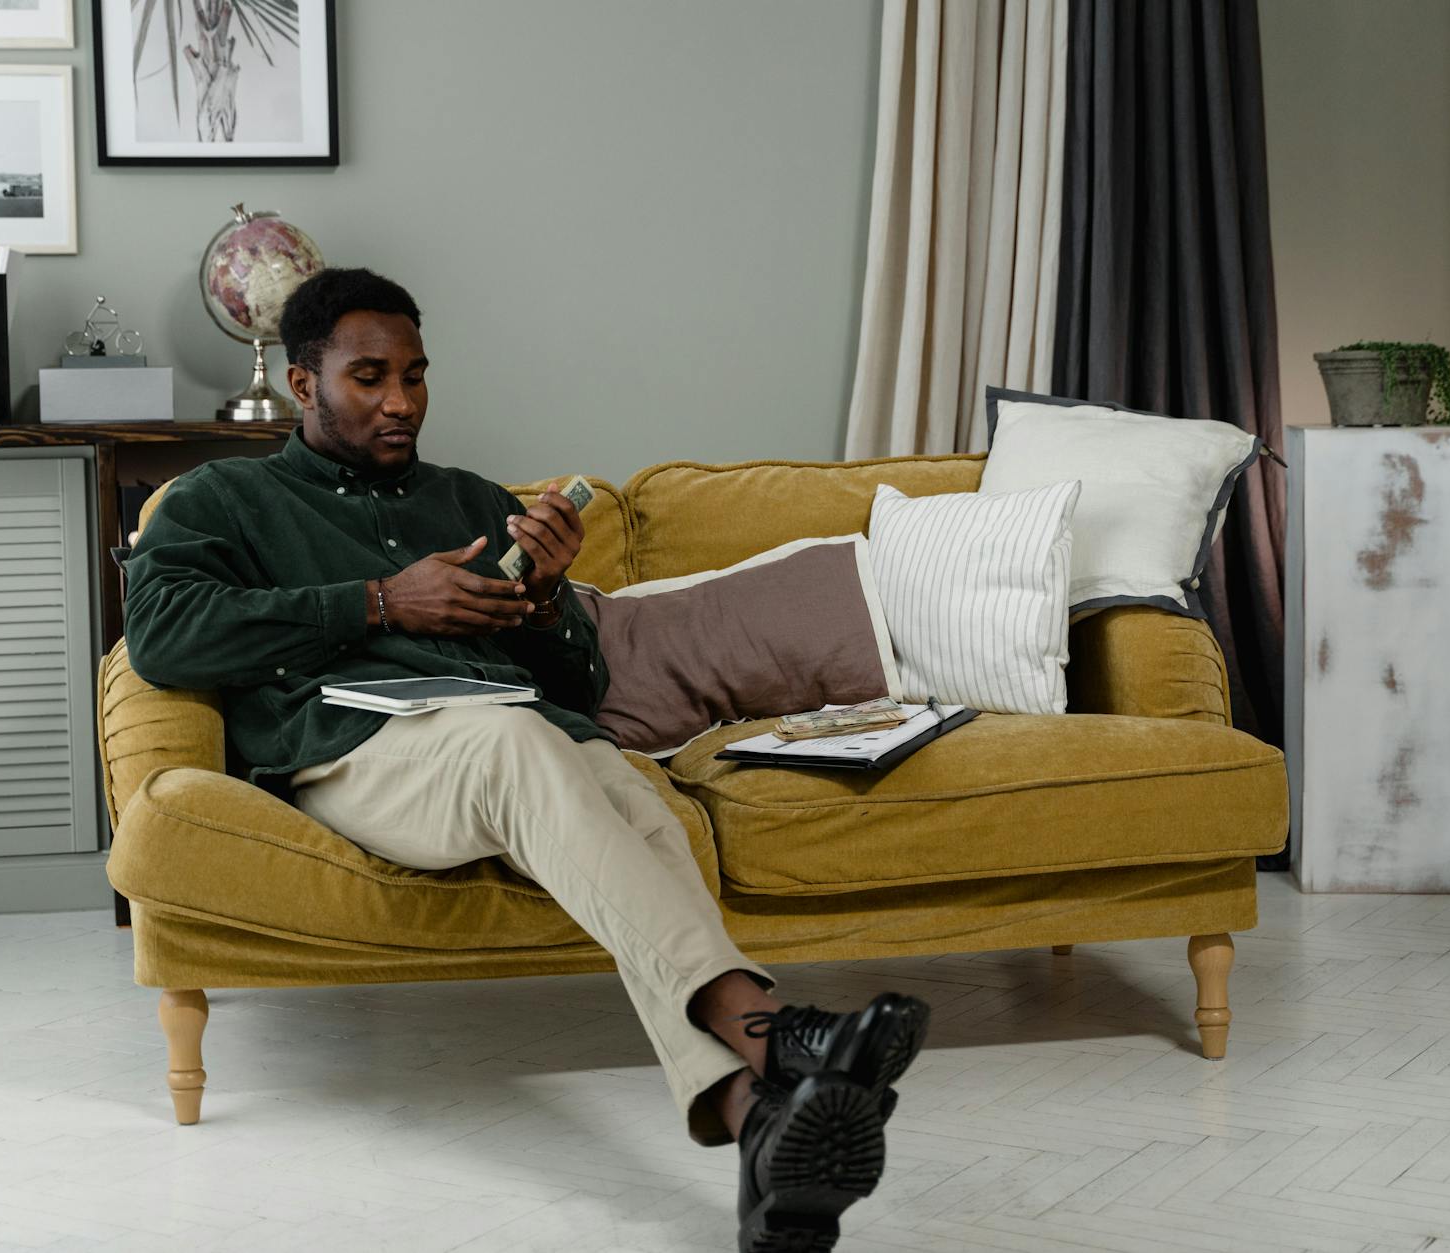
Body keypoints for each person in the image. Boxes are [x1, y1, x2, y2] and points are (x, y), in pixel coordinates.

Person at [122, 267, 928, 1251]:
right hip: (360, 750)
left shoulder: (465, 498)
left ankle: (757, 1127)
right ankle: (768, 1027)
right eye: (370, 377)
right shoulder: (224, 497)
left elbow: (577, 685)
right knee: (517, 740)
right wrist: (380, 601)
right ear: (302, 385)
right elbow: (160, 632)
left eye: (415, 375)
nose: (401, 401)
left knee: (630, 796)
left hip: (522, 740)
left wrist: (548, 598)